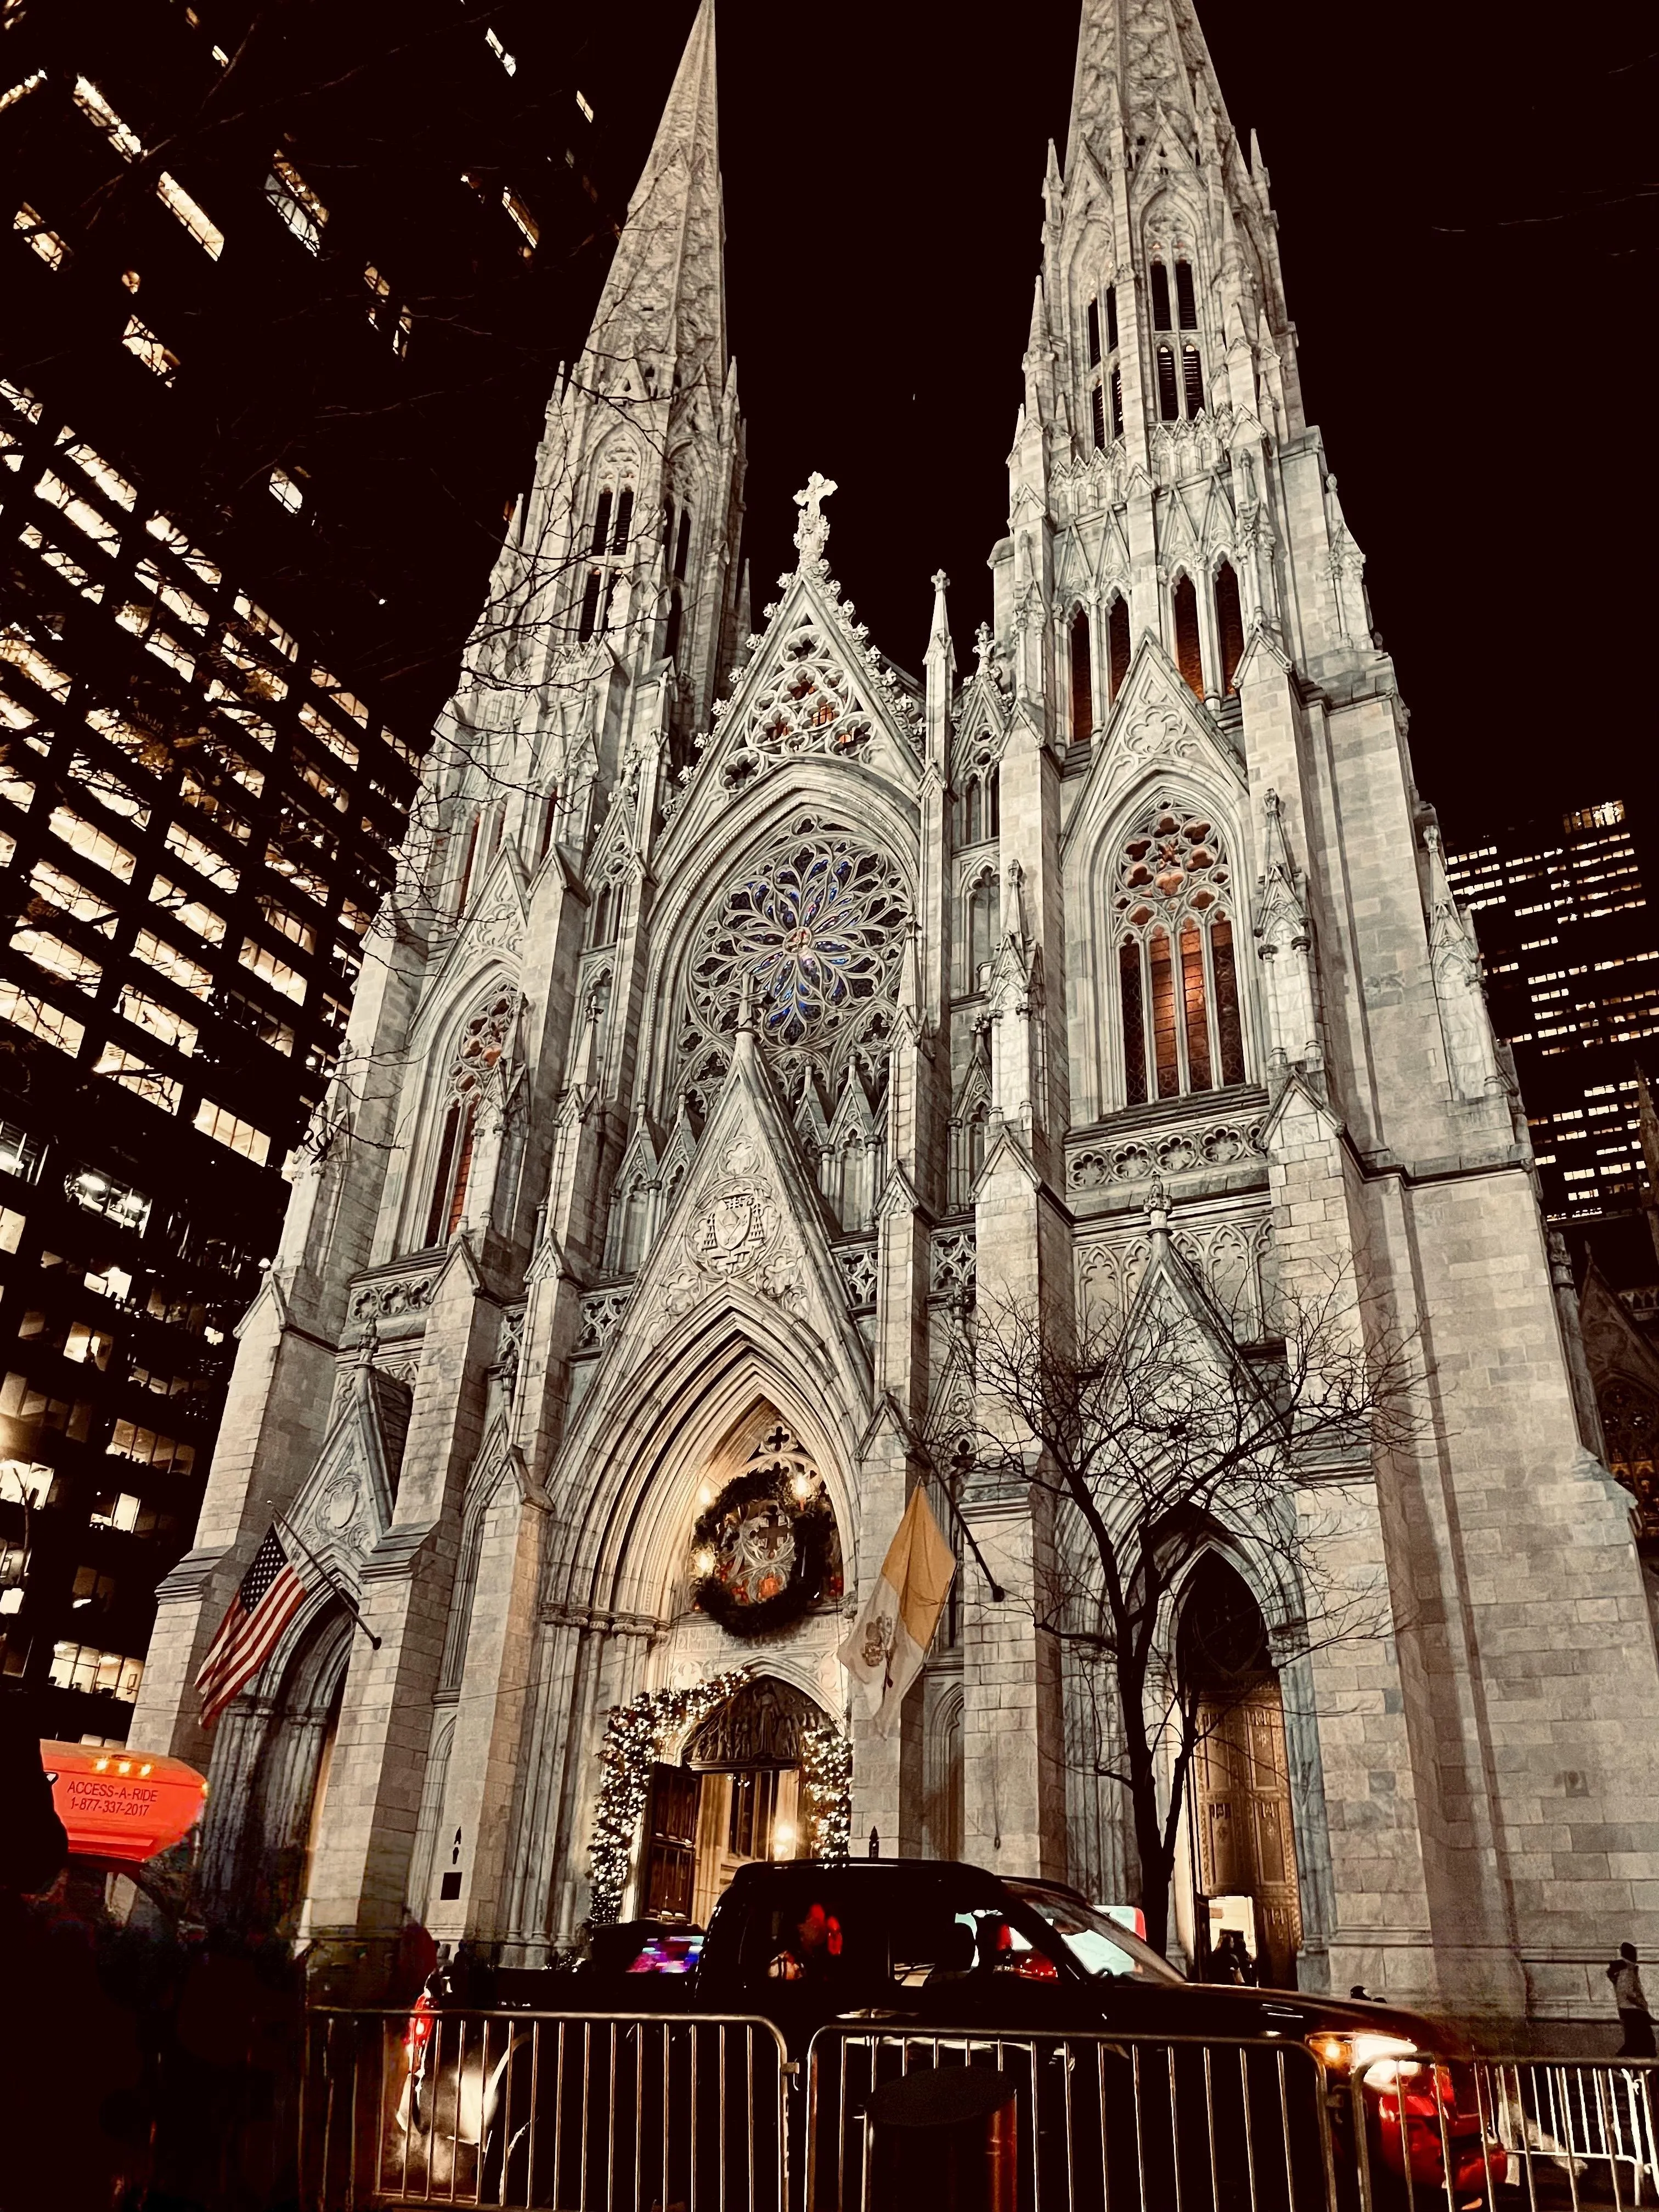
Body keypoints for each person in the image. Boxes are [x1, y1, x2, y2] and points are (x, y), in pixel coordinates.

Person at [1609, 1942, 1655, 2058]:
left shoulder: (1622, 1969)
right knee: (1645, 2041)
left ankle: (1621, 2065)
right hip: (1634, 2010)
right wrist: (1642, 2003)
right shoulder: (1627, 1969)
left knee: (1633, 2040)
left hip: (1627, 2009)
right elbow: (1628, 1991)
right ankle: (1618, 2065)